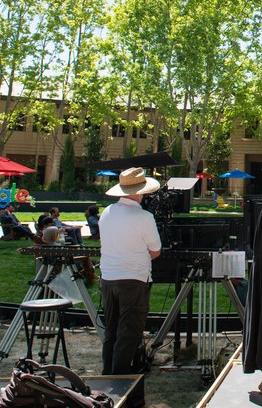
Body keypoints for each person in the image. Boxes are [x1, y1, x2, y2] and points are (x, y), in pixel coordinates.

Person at [99, 167, 163, 408]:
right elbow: (155, 251)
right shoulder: (143, 217)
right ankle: (119, 389)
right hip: (133, 280)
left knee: (112, 331)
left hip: (109, 278)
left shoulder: (107, 212)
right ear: (140, 192)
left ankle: (106, 381)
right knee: (129, 334)